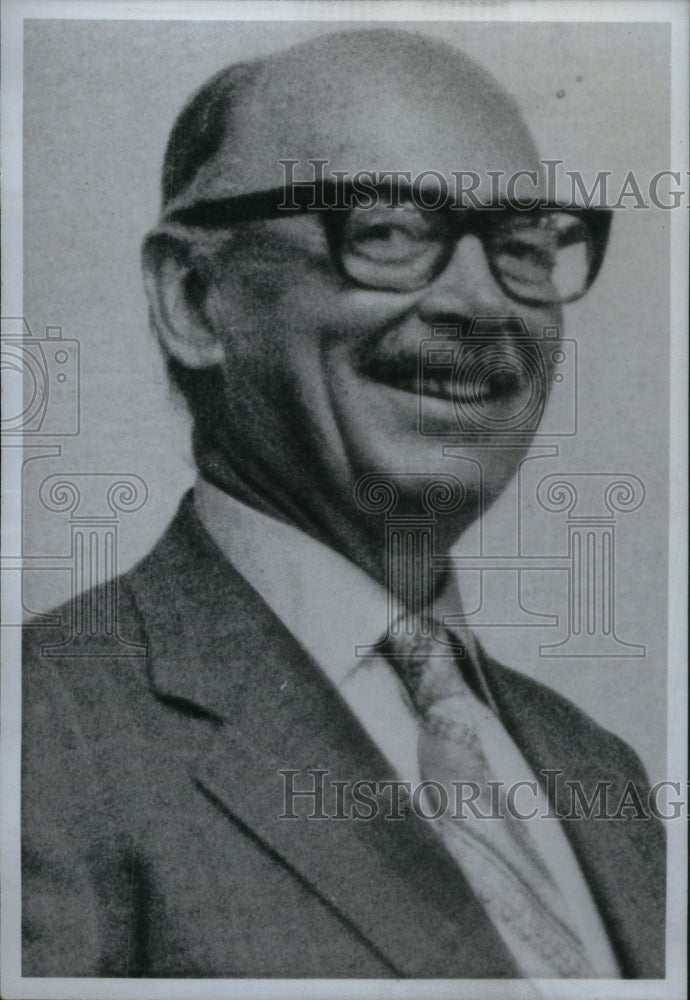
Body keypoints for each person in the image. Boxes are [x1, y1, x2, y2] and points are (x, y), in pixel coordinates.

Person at [22, 28, 664, 979]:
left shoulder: (603, 775)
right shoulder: (38, 737)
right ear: (197, 300)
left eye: (524, 245)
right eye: (388, 232)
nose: (482, 305)